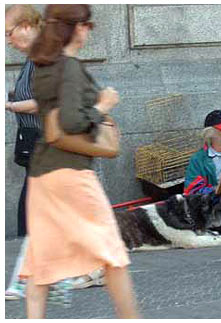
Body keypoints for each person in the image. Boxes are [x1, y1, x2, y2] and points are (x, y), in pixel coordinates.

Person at [20, 5, 140, 318]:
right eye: (87, 24)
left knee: (40, 261)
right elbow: (72, 122)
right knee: (113, 254)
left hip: (42, 174)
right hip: (72, 172)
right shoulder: (69, 66)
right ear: (76, 28)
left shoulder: (44, 65)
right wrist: (103, 105)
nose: (89, 30)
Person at [5, 4, 41, 238]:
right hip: (35, 142)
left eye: (8, 33)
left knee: (32, 208)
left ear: (26, 27)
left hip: (46, 143)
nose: (8, 41)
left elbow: (45, 101)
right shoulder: (34, 57)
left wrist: (10, 105)